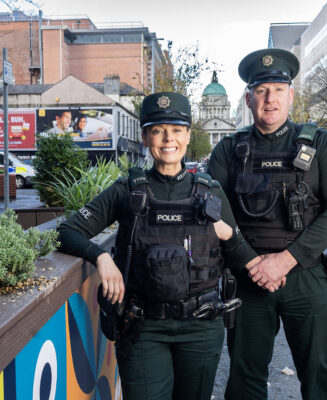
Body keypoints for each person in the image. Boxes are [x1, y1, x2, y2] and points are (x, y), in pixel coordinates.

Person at [58, 92, 262, 400]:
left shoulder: (212, 191)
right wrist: (100, 257)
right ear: (145, 137)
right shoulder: (127, 190)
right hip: (143, 327)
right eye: (158, 130)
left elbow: (241, 255)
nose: (168, 139)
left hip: (201, 327)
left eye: (177, 130)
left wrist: (229, 235)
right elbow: (67, 231)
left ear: (188, 135)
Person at [207, 49, 327, 399]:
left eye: (277, 89)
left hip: (307, 276)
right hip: (248, 278)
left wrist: (285, 260)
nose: (269, 98)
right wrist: (252, 262)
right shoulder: (228, 150)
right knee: (245, 380)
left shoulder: (321, 144)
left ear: (291, 94)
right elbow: (212, 211)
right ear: (248, 98)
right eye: (261, 90)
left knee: (322, 378)